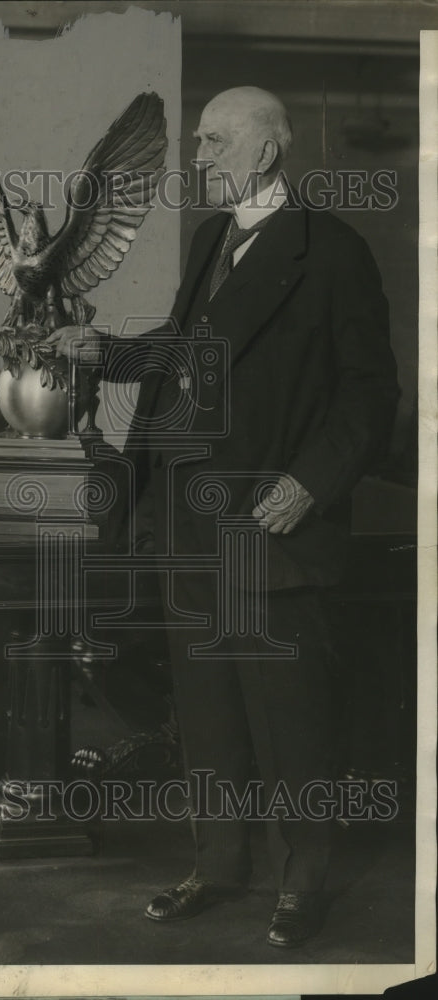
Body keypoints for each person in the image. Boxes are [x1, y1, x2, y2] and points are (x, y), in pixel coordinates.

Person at [49, 87, 399, 947]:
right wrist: (111, 353)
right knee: (207, 714)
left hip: (272, 524)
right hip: (189, 521)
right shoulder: (212, 238)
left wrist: (310, 484)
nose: (196, 158)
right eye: (199, 142)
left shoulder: (334, 251)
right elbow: (186, 350)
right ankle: (217, 864)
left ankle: (300, 885)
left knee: (293, 719)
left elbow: (369, 391)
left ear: (265, 153)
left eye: (212, 143)